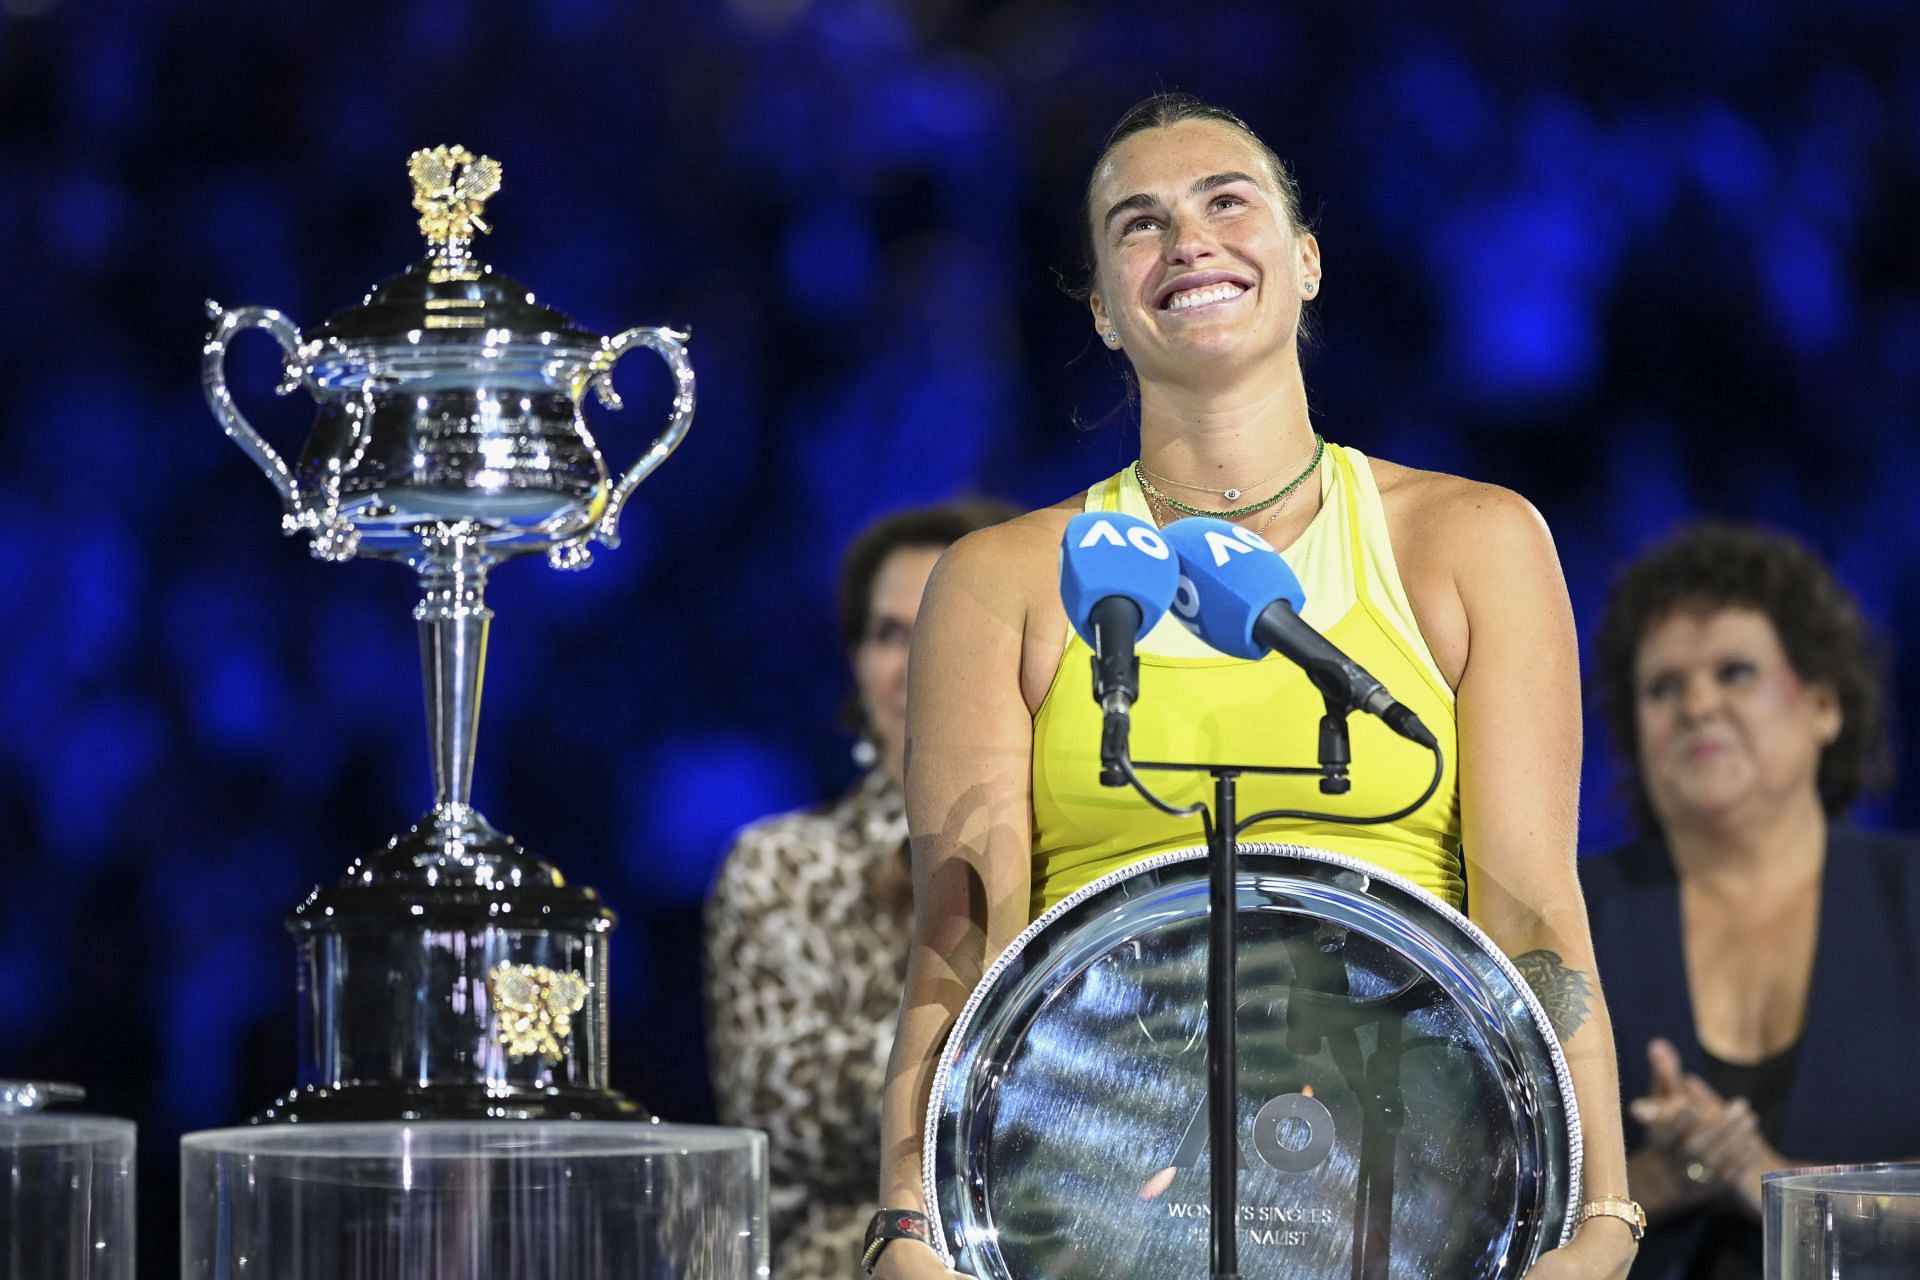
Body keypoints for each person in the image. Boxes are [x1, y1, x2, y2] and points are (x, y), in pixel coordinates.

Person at [869, 92, 1638, 1279]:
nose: (1188, 240)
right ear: (1104, 314)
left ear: (1307, 260)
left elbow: (1534, 907)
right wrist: (910, 1227)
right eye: (1140, 222)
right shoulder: (1000, 580)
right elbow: (962, 943)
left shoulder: (1471, 543)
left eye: (1227, 201)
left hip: (1409, 1200)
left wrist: (1603, 1219)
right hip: (1098, 1209)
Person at [1582, 521, 1920, 1279]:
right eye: (1663, 688)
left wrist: (1775, 1182)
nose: (1697, 705)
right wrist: (1669, 1176)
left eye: (1734, 672)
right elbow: (1477, 1200)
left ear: (1824, 704)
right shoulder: (1570, 916)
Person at [704, 499, 1018, 1280]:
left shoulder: (1077, 859)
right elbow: (784, 1104)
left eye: (946, 629)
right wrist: (1023, 1070)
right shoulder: (781, 865)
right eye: (889, 635)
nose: (915, 665)